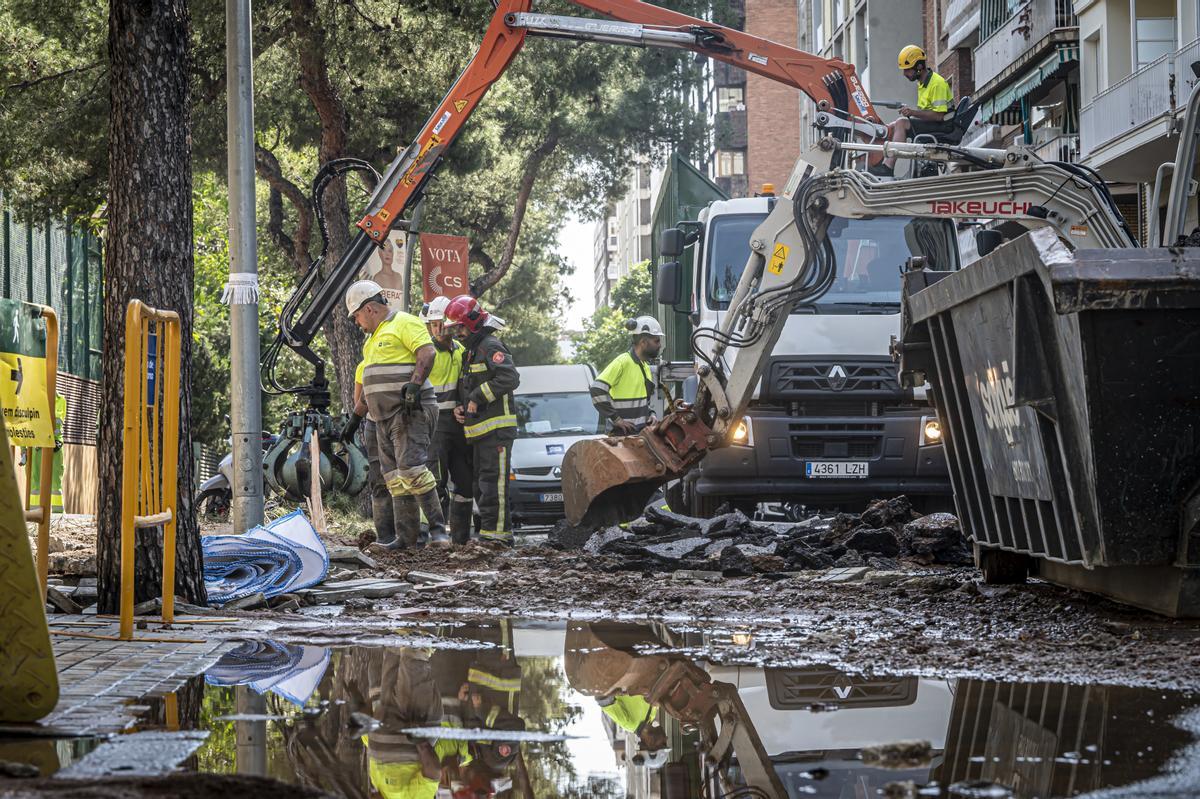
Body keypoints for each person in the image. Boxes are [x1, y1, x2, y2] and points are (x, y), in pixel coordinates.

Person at [342, 279, 449, 549]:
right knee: (395, 480)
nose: (357, 322)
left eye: (356, 316)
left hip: (408, 411)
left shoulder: (404, 322)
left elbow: (426, 352)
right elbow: (369, 383)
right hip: (382, 418)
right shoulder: (372, 341)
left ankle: (439, 532)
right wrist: (355, 418)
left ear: (369, 309)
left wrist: (414, 385)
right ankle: (406, 539)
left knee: (412, 470)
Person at [444, 294, 520, 546]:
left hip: (496, 430)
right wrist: (460, 406)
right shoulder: (472, 352)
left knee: (492, 486)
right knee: (482, 486)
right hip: (481, 433)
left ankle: (497, 538)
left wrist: (476, 397)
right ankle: (490, 535)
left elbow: (509, 378)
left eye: (460, 327)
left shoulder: (490, 346)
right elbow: (469, 387)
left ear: (473, 322)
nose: (457, 333)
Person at [421, 295, 474, 545]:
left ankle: (462, 540)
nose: (438, 329)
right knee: (437, 480)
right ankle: (437, 537)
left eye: (442, 323)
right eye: (433, 324)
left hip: (460, 427)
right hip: (435, 427)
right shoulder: (426, 354)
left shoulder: (463, 352)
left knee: (465, 482)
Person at [870, 45, 956, 177]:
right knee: (893, 126)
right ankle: (879, 163)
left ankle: (888, 167)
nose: (904, 74)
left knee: (901, 123)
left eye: (907, 70)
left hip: (943, 126)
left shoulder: (937, 83)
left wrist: (912, 113)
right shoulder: (923, 83)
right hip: (935, 123)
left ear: (919, 67)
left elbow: (939, 116)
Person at [590, 316, 661, 436]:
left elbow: (642, 403)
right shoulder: (622, 362)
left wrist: (651, 414)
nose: (659, 345)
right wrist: (616, 419)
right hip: (620, 438)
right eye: (656, 341)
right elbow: (596, 389)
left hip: (637, 436)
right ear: (643, 342)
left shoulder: (645, 367)